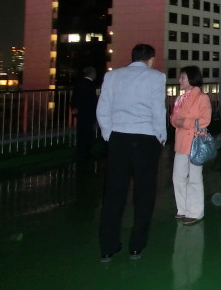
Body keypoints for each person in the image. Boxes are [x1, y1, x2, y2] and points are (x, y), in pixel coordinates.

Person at [96, 44, 167, 262]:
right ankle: (136, 246)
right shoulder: (156, 77)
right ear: (151, 59)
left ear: (133, 57)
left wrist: (109, 134)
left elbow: (103, 109)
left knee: (113, 194)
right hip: (146, 139)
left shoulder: (112, 76)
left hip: (118, 138)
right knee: (144, 193)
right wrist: (161, 137)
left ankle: (108, 247)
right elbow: (158, 110)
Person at [171, 66, 212, 226]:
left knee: (194, 178)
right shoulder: (180, 98)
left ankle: (195, 212)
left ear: (192, 79)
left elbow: (205, 119)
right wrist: (179, 122)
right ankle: (182, 208)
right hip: (181, 142)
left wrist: (183, 122)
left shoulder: (202, 97)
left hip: (195, 142)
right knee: (178, 177)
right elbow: (173, 118)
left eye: (183, 77)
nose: (179, 80)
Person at [71, 66, 98, 163]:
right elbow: (92, 101)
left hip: (81, 113)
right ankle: (86, 154)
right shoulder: (91, 85)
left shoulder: (79, 83)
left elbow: (74, 97)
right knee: (88, 134)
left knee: (81, 133)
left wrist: (74, 108)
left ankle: (81, 153)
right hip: (88, 113)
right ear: (92, 74)